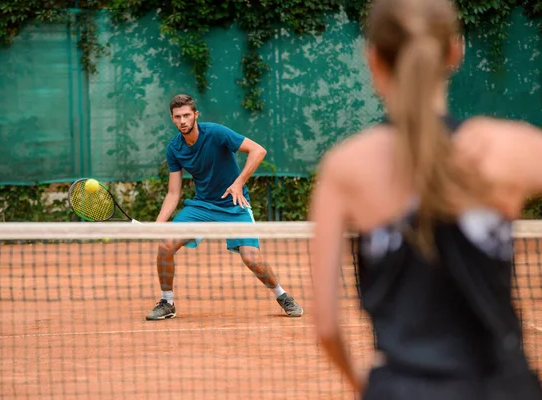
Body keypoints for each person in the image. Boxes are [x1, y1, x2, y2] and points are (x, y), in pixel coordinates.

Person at [309, 0, 542, 398]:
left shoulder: (346, 166)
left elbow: (327, 328)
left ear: (373, 61)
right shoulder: (509, 147)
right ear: (455, 51)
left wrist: (368, 388)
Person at [145, 94, 303, 321]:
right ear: (172, 118)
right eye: (178, 117)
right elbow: (173, 193)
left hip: (234, 204)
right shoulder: (174, 149)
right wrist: (159, 223)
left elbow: (258, 151)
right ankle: (167, 302)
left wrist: (239, 183)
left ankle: (282, 295)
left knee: (251, 258)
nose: (183, 121)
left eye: (187, 115)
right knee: (166, 244)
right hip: (202, 206)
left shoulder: (217, 133)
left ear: (195, 115)